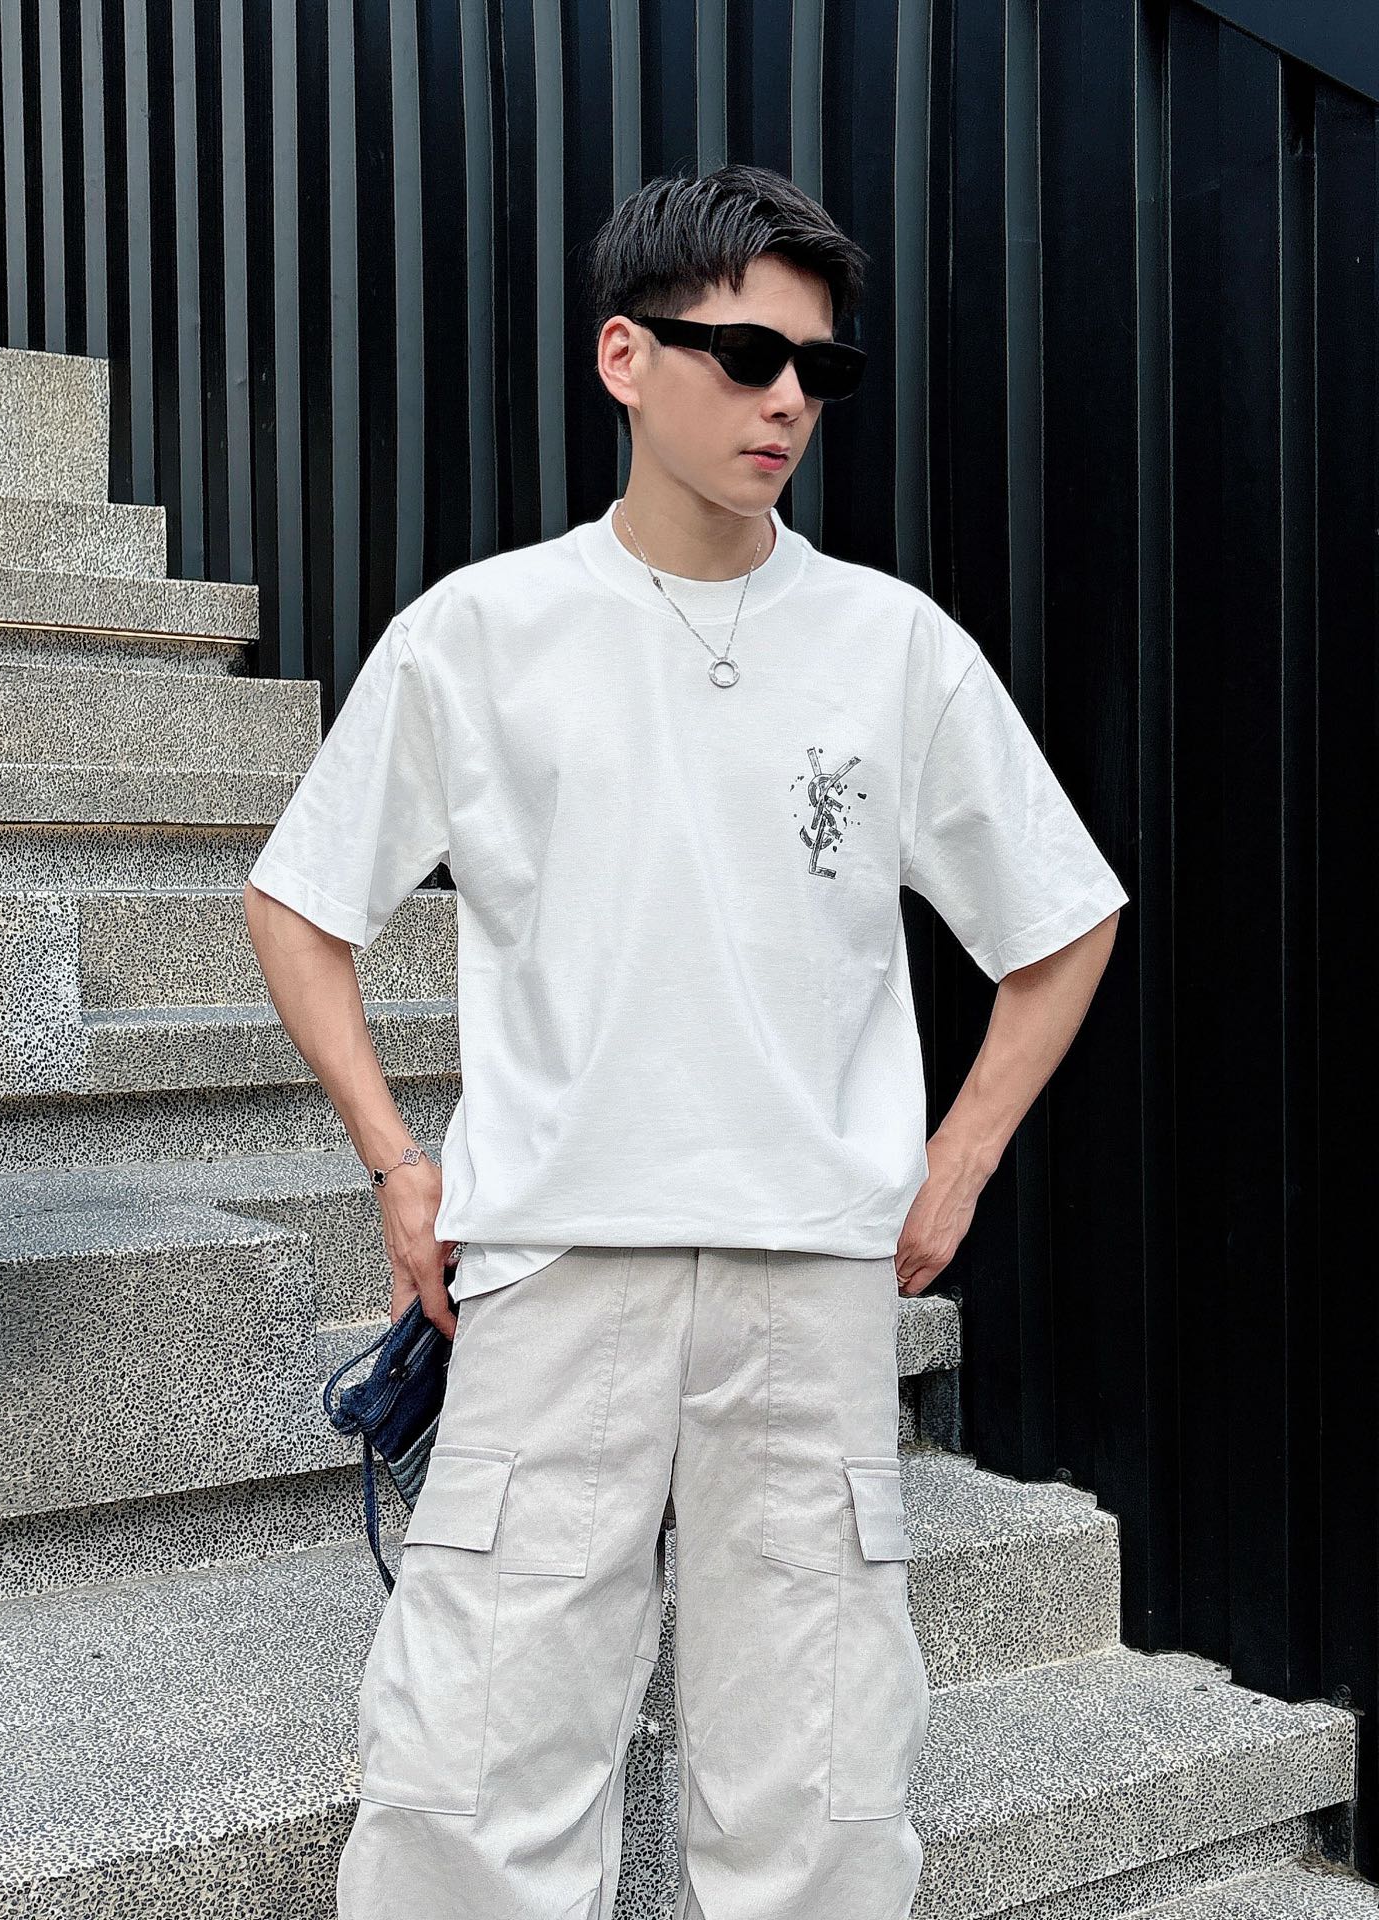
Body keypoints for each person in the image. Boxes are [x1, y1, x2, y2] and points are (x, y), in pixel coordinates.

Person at [244, 161, 1129, 1920]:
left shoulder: (891, 647)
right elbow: (299, 904)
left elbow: (1062, 917)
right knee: (473, 1776)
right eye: (744, 355)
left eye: (820, 366)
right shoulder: (485, 633)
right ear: (625, 357)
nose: (786, 397)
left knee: (818, 1789)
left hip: (809, 1273)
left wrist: (957, 1161)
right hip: (557, 1258)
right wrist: (397, 1164)